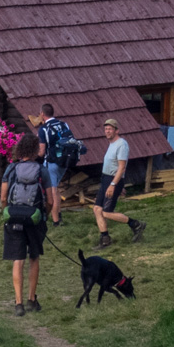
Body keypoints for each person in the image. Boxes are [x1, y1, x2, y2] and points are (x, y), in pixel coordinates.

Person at [0, 132, 58, 316]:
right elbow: (50, 201)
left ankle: (18, 303)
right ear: (34, 150)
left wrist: (9, 211)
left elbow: (3, 197)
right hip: (34, 219)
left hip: (14, 218)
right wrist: (43, 216)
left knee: (18, 260)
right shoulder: (42, 170)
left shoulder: (11, 169)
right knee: (34, 257)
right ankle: (32, 299)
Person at [92, 116, 145, 248]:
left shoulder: (122, 144)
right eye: (106, 129)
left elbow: (121, 167)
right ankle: (105, 239)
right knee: (97, 209)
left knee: (106, 212)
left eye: (110, 129)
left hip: (112, 180)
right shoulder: (111, 144)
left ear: (117, 130)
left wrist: (114, 184)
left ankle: (136, 224)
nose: (107, 131)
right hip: (106, 179)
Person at [34, 103, 80, 193]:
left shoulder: (43, 129)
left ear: (42, 114)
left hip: (52, 162)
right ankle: (56, 207)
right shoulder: (64, 124)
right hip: (65, 160)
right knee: (55, 187)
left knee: (51, 190)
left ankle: (53, 207)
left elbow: (41, 152)